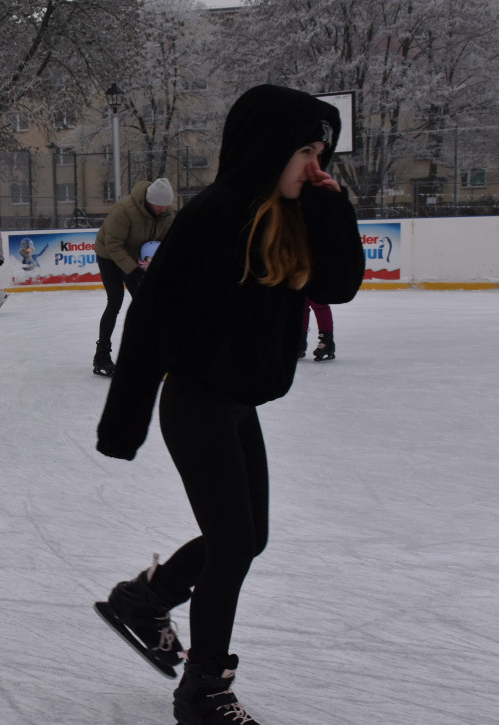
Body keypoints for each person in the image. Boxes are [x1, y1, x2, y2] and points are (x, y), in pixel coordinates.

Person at [94, 85, 366, 724]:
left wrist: (332, 205)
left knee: (250, 537)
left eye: (321, 151)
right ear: (269, 149)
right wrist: (124, 422)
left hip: (237, 404)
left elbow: (341, 285)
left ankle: (146, 599)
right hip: (195, 403)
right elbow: (152, 319)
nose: (316, 165)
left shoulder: (294, 212)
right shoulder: (215, 214)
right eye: (305, 151)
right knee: (236, 541)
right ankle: (204, 689)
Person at [92, 177, 175, 376]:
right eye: (159, 205)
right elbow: (113, 245)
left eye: (166, 206)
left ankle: (150, 354)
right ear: (148, 200)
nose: (163, 209)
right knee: (115, 301)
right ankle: (101, 356)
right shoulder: (124, 210)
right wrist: (135, 271)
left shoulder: (166, 215)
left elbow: (168, 243)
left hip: (136, 258)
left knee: (146, 304)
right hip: (109, 256)